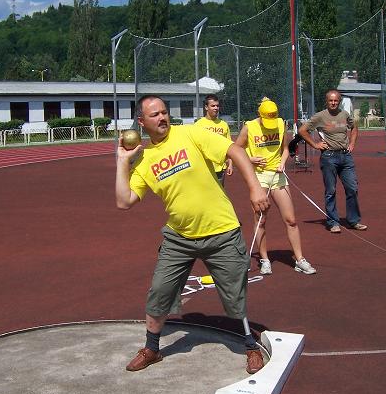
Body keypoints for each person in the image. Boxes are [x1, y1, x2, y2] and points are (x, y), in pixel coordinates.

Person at [115, 95, 270, 374]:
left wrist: (255, 188)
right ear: (141, 122)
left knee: (234, 294)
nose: (162, 117)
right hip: (179, 238)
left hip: (221, 231)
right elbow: (124, 201)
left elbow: (234, 151)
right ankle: (152, 348)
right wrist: (122, 161)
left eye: (164, 112)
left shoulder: (191, 133)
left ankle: (250, 345)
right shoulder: (145, 160)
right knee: (160, 291)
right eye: (154, 115)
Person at [235, 98, 315, 276]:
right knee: (261, 220)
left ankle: (299, 259)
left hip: (278, 176)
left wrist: (283, 162)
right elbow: (235, 149)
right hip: (259, 177)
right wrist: (251, 159)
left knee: (291, 220)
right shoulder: (249, 127)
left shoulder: (280, 124)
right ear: (260, 115)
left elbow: (285, 149)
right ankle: (264, 259)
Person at [298, 89, 367, 233]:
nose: (333, 103)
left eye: (336, 100)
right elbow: (302, 130)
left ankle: (354, 220)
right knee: (331, 190)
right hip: (329, 157)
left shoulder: (344, 114)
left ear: (339, 101)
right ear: (327, 101)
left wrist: (352, 143)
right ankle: (333, 222)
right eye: (331, 100)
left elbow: (354, 127)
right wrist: (315, 144)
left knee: (352, 188)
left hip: (345, 157)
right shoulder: (320, 116)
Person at [194, 94, 233, 185]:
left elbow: (229, 146)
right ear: (206, 107)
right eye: (213, 106)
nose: (216, 108)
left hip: (220, 168)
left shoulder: (224, 125)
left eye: (217, 106)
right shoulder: (198, 125)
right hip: (204, 168)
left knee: (219, 192)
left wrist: (230, 164)